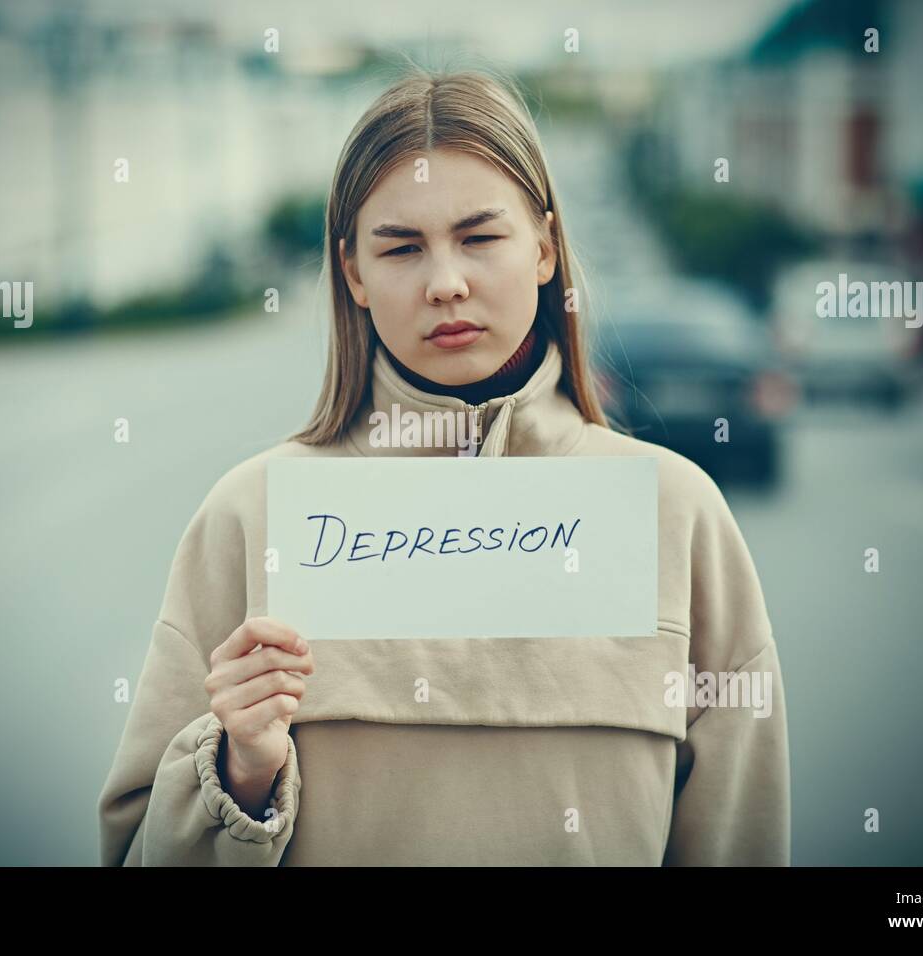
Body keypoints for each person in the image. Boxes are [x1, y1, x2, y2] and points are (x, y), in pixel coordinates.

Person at [97, 66, 790, 866]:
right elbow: (133, 851)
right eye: (401, 248)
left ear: (545, 246)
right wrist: (240, 774)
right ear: (352, 272)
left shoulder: (679, 512)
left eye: (480, 237)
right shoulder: (250, 517)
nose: (446, 283)